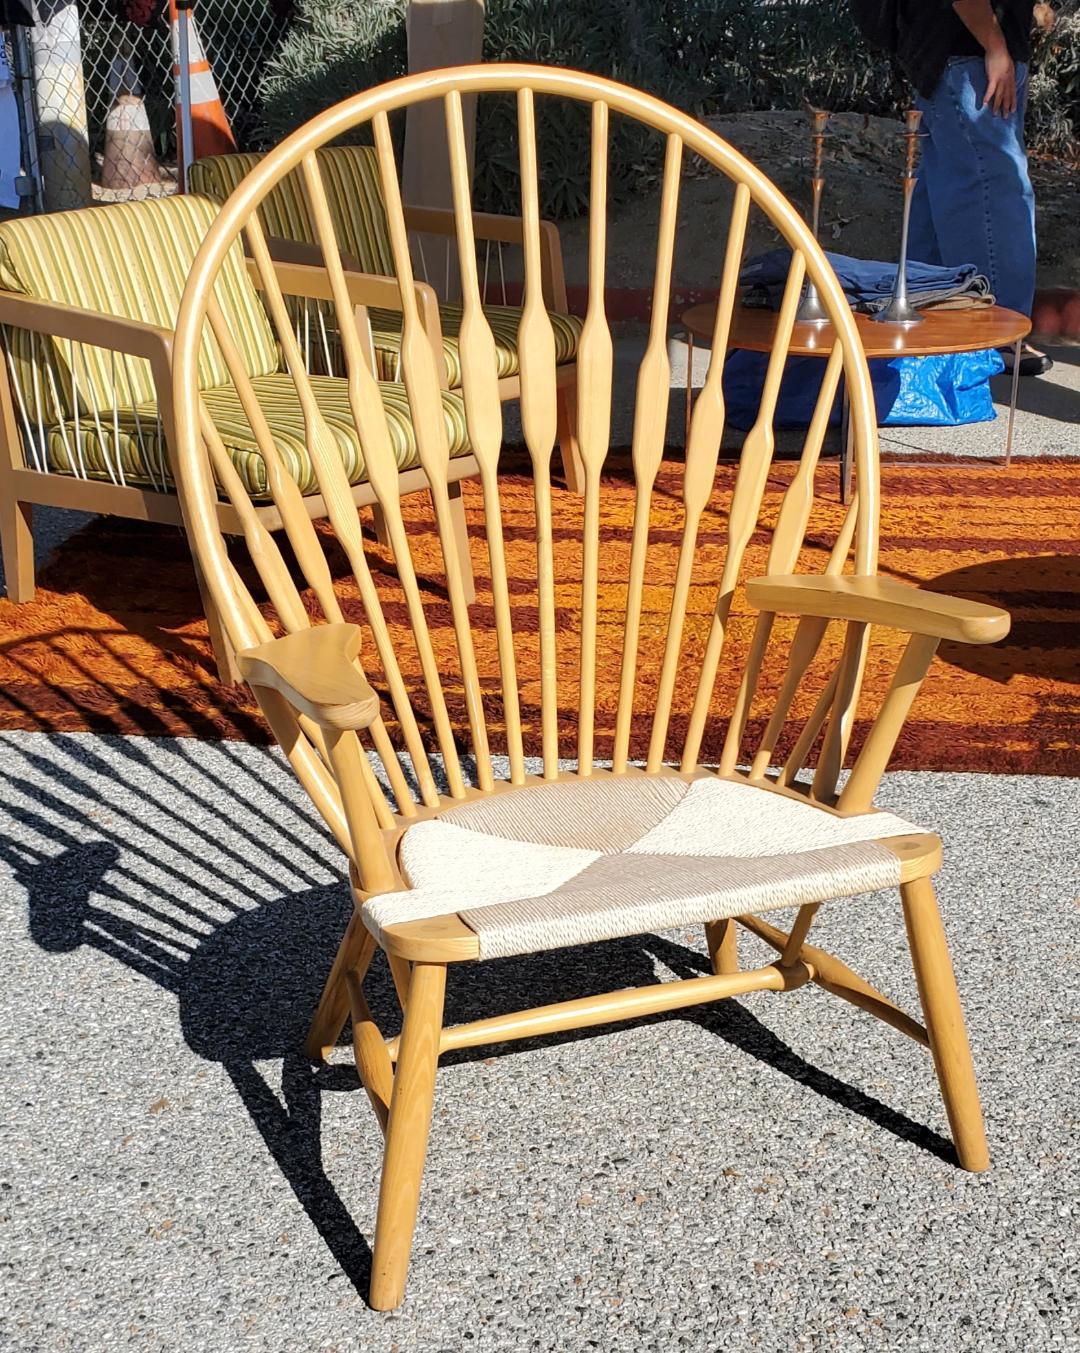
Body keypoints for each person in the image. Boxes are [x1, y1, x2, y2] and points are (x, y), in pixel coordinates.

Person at [854, 0, 1053, 375]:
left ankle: (919, 322)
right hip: (970, 56)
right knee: (996, 190)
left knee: (940, 197)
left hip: (957, 57)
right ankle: (998, 333)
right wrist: (995, 47)